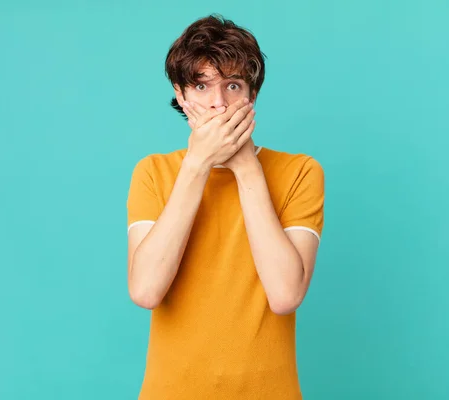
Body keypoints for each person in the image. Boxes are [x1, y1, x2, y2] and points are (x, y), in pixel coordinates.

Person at [126, 14, 325, 400]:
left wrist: (244, 164)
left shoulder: (300, 171)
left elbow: (285, 295)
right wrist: (197, 165)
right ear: (181, 95)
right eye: (201, 86)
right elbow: (146, 290)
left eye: (233, 85)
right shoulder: (153, 172)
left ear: (251, 96)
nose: (218, 104)